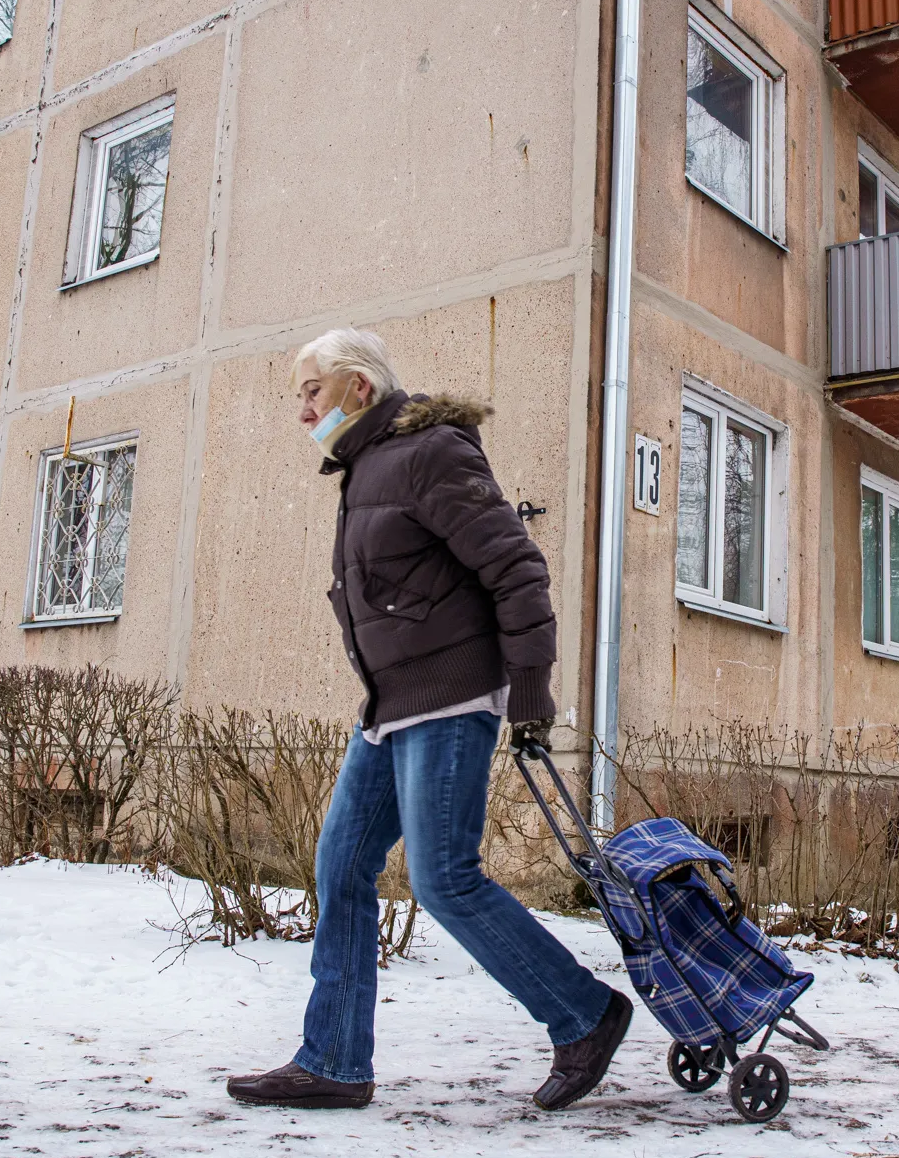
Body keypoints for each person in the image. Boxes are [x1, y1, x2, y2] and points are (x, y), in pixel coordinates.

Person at [227, 327, 632, 1112]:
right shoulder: (366, 466)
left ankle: (585, 1013)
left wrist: (531, 690)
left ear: (359, 387)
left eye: (311, 390)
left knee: (444, 880)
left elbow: (518, 569)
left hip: (448, 697)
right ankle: (336, 1060)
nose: (300, 409)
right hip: (389, 707)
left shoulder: (431, 454)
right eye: (298, 395)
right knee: (340, 865)